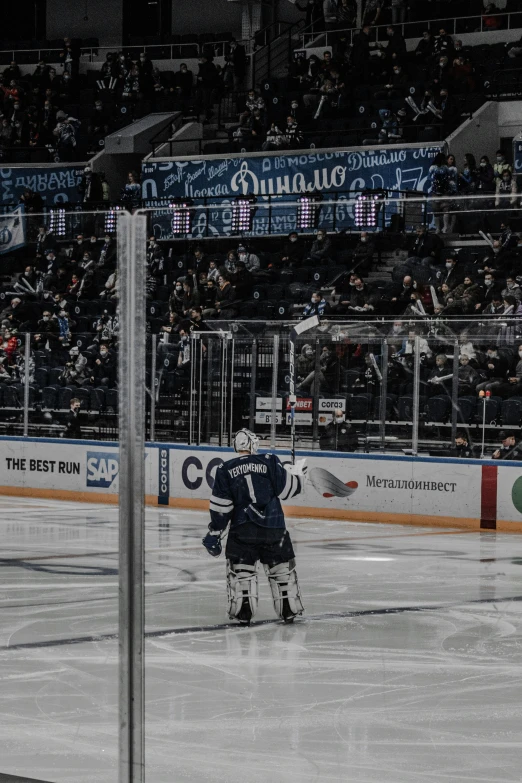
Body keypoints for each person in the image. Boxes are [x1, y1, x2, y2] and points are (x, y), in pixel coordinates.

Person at [201, 428, 306, 624]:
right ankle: (288, 609)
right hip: (274, 528)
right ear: (253, 445)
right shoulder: (269, 460)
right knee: (282, 572)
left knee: (243, 575)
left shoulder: (224, 469)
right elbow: (288, 490)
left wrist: (215, 531)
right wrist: (298, 476)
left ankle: (244, 613)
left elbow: (221, 508)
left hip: (243, 530)